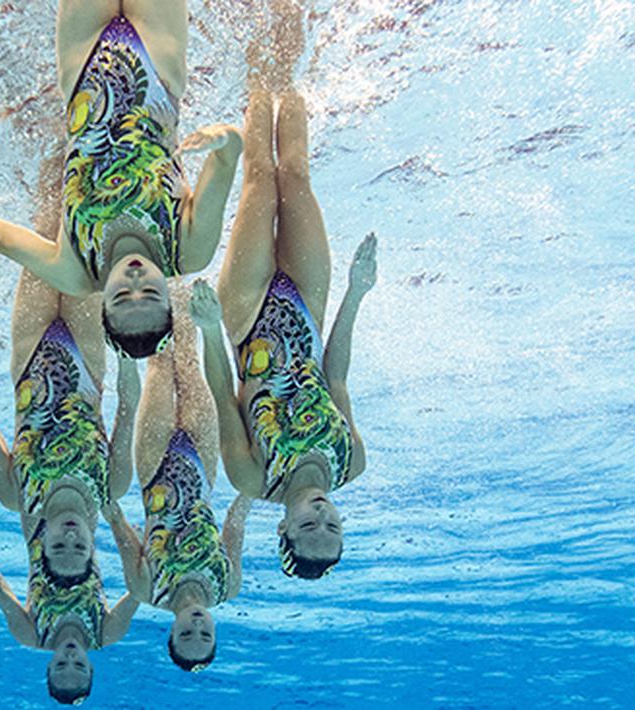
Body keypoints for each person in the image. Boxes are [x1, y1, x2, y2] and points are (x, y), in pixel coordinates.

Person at [0, 0, 244, 358]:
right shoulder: (190, 251)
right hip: (158, 66)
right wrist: (219, 137)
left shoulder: (75, 273)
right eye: (150, 293)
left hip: (82, 69)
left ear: (103, 305)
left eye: (122, 296)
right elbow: (230, 152)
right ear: (169, 296)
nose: (135, 280)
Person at [196, 0, 377, 579]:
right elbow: (336, 376)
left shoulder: (251, 476)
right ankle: (288, 51)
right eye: (333, 527)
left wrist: (209, 329)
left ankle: (256, 64)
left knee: (260, 179)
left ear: (283, 529)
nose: (321, 517)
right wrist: (357, 292)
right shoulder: (351, 461)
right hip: (307, 306)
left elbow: (223, 393)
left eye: (308, 529)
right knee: (295, 173)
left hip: (245, 316)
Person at [0, 170, 150, 704]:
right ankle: (78, 164)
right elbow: (143, 586)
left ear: (40, 544)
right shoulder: (109, 489)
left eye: (60, 666)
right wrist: (127, 356)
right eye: (79, 666)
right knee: (79, 250)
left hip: (31, 359)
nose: (69, 537)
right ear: (92, 550)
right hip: (86, 360)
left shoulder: (17, 496)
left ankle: (48, 161)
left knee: (43, 231)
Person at [106, 281, 251, 672]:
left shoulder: (146, 589)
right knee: (187, 359)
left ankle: (146, 291)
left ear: (172, 632)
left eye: (187, 635)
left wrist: (102, 493)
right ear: (215, 633)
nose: (197, 627)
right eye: (206, 635)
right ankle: (178, 282)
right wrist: (258, 485)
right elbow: (235, 523)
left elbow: (120, 527)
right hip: (202, 465)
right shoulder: (228, 585)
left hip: (153, 470)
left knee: (159, 364)